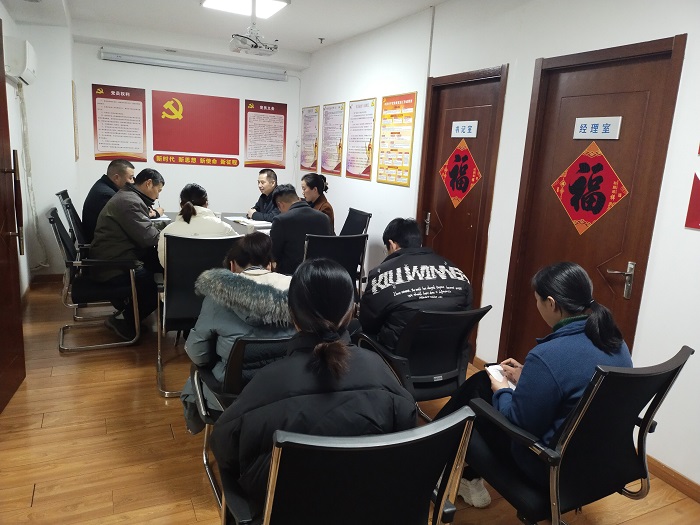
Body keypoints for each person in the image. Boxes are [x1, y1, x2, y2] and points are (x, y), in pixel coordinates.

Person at [210, 258, 417, 517]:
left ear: (292, 315)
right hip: (369, 509)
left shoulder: (267, 382)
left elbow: (224, 446)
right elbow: (408, 429)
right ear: (351, 312)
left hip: (286, 512)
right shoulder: (379, 368)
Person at [436, 261, 633, 508]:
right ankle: (459, 470)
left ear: (551, 303)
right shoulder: (615, 343)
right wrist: (529, 377)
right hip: (599, 460)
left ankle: (430, 452)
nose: (537, 306)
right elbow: (576, 390)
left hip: (547, 464)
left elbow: (518, 423)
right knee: (481, 382)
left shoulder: (549, 355)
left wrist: (503, 390)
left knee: (479, 394)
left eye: (537, 300)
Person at [180, 232, 295, 434]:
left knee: (195, 375)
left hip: (232, 398)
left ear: (232, 266)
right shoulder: (298, 293)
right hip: (286, 392)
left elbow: (198, 354)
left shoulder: (217, 297)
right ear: (270, 265)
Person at [359, 217, 473, 351]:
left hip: (398, 357)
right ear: (419, 243)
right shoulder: (457, 272)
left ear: (392, 245)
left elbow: (368, 323)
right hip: (447, 354)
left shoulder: (381, 275)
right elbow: (466, 314)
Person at [89, 168, 165, 341]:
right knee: (156, 284)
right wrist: (169, 234)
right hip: (114, 266)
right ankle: (123, 319)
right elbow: (149, 238)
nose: (158, 195)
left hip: (115, 257)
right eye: (158, 190)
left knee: (157, 265)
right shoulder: (130, 202)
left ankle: (131, 315)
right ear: (148, 183)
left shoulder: (128, 196)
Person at [157, 183, 236, 267]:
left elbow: (165, 264)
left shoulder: (167, 232)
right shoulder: (225, 229)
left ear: (181, 205)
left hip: (181, 276)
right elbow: (238, 258)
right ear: (206, 203)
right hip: (217, 275)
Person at [269, 184, 333, 275]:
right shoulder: (324, 218)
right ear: (298, 199)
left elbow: (273, 253)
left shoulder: (281, 220)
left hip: (291, 275)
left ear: (280, 205)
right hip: (320, 274)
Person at [82, 159, 140, 243]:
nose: (133, 182)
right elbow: (129, 221)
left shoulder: (103, 185)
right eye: (130, 178)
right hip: (103, 244)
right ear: (116, 178)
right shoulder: (106, 195)